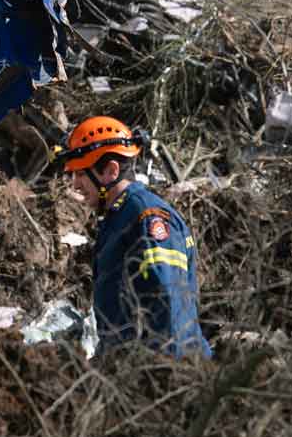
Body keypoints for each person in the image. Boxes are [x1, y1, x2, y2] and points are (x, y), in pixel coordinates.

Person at [59, 116, 211, 359]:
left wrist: (163, 372)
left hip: (165, 367)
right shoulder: (121, 217)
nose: (75, 185)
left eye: (80, 174)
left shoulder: (146, 217)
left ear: (111, 171)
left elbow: (168, 301)